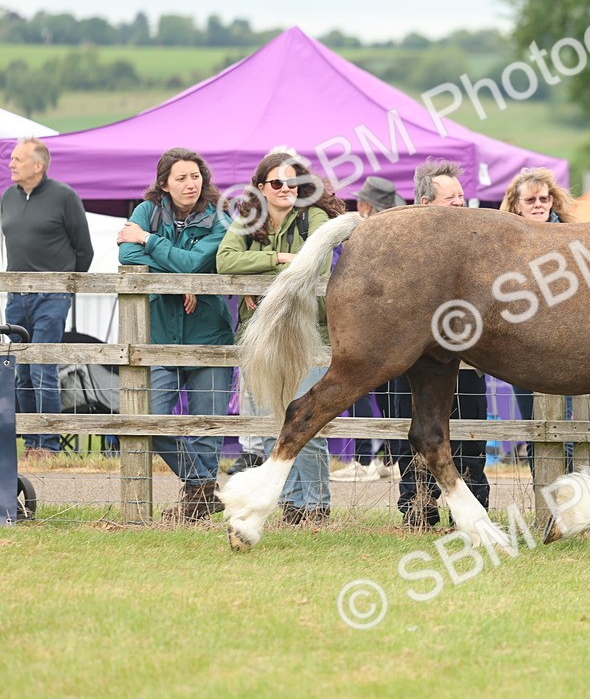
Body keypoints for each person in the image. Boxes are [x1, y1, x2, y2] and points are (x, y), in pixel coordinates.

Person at [217, 151, 346, 525]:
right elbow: (225, 260)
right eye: (277, 183)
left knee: (304, 417)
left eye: (293, 183)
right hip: (262, 335)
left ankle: (317, 505)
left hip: (307, 331)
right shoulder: (247, 219)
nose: (287, 189)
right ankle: (290, 505)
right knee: (275, 421)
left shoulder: (315, 217)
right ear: (261, 189)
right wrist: (276, 259)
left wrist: (264, 288)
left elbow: (314, 266)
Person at [116, 147, 234, 521]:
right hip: (159, 336)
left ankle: (196, 504)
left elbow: (196, 262)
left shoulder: (219, 220)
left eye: (195, 176)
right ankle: (202, 486)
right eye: (181, 178)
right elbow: (126, 258)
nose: (190, 184)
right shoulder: (146, 212)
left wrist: (150, 242)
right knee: (149, 419)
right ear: (164, 183)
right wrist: (178, 282)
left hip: (209, 336)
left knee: (205, 428)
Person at [388, 159, 490, 527]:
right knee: (413, 433)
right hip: (411, 357)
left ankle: (475, 508)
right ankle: (417, 507)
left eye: (463, 196)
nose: (461, 204)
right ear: (425, 202)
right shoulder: (399, 242)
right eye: (452, 198)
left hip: (469, 356)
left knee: (471, 435)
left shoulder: (477, 241)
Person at [2, 137, 93, 455]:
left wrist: (64, 289)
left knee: (42, 366)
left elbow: (84, 250)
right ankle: (32, 441)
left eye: (17, 159)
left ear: (38, 165)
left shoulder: (64, 197)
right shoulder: (7, 198)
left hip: (51, 296)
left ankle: (49, 443)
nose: (10, 164)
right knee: (21, 369)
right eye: (11, 158)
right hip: (16, 297)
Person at [499, 167, 578, 469]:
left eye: (544, 198)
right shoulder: (503, 241)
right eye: (530, 200)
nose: (538, 205)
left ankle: (568, 500)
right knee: (535, 426)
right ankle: (542, 497)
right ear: (516, 204)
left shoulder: (572, 238)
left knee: (566, 427)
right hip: (521, 348)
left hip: (566, 346)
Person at [333, 175, 406, 481]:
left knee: (359, 391)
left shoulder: (361, 237)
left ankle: (364, 460)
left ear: (364, 205)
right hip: (397, 329)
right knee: (391, 393)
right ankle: (391, 460)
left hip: (368, 327)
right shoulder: (402, 233)